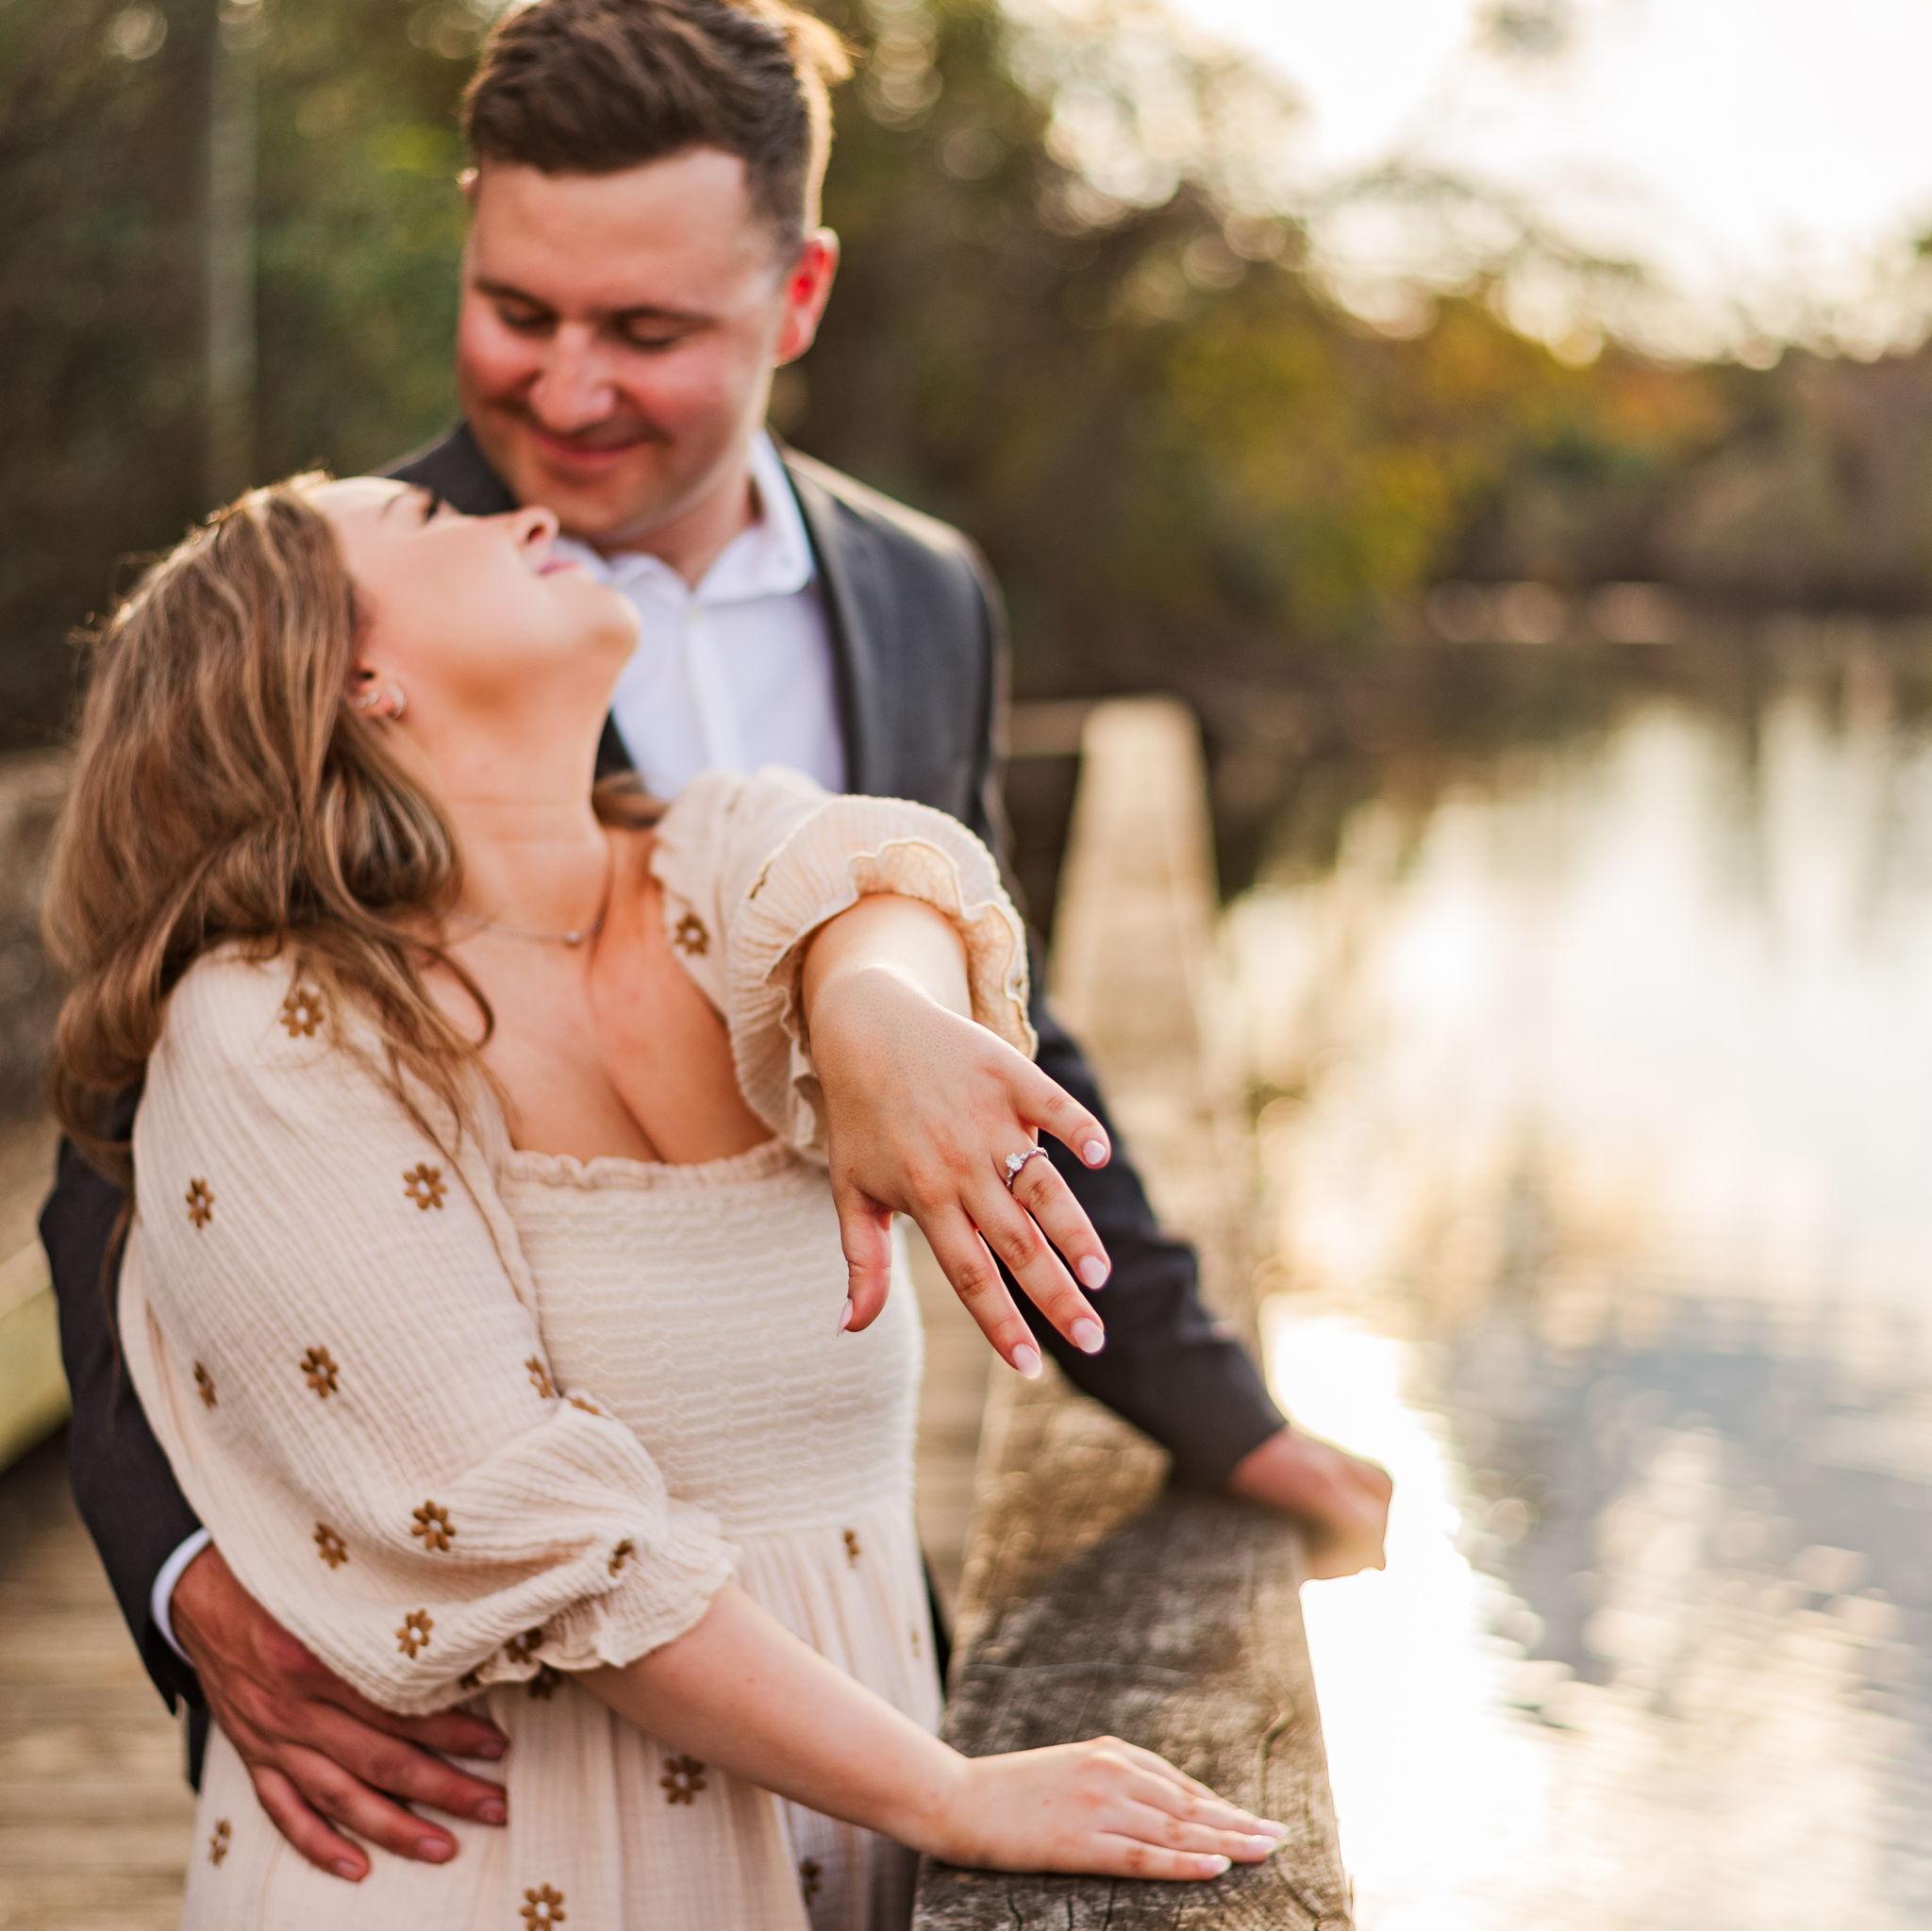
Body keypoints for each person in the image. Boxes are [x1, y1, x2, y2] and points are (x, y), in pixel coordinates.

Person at [39, 0, 1391, 1889]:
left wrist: (1217, 1414)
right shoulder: (331, 603)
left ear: (797, 296)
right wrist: (193, 1579)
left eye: (648, 331)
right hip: (462, 1762)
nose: (566, 391)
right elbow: (126, 1185)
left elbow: (976, 1001)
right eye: (518, 309)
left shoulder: (919, 596)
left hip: (826, 1628)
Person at [44, 473, 1294, 1926]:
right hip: (500, 1865)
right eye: (434, 525)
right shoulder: (272, 1030)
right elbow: (534, 1533)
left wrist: (877, 1008)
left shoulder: (713, 855)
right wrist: (951, 1797)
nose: (522, 518)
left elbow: (882, 871)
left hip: (850, 1831)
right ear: (358, 678)